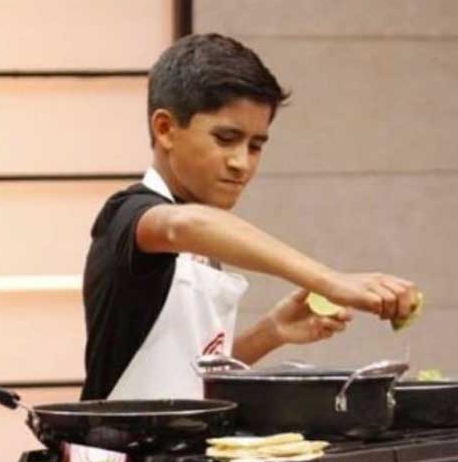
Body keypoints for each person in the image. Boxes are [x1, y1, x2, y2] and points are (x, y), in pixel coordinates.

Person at [81, 33, 420, 401]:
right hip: (117, 457)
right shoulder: (130, 215)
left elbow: (190, 381)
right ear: (165, 129)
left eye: (255, 146)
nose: (242, 163)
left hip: (178, 450)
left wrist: (271, 331)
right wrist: (330, 281)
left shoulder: (200, 249)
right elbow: (185, 226)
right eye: (226, 139)